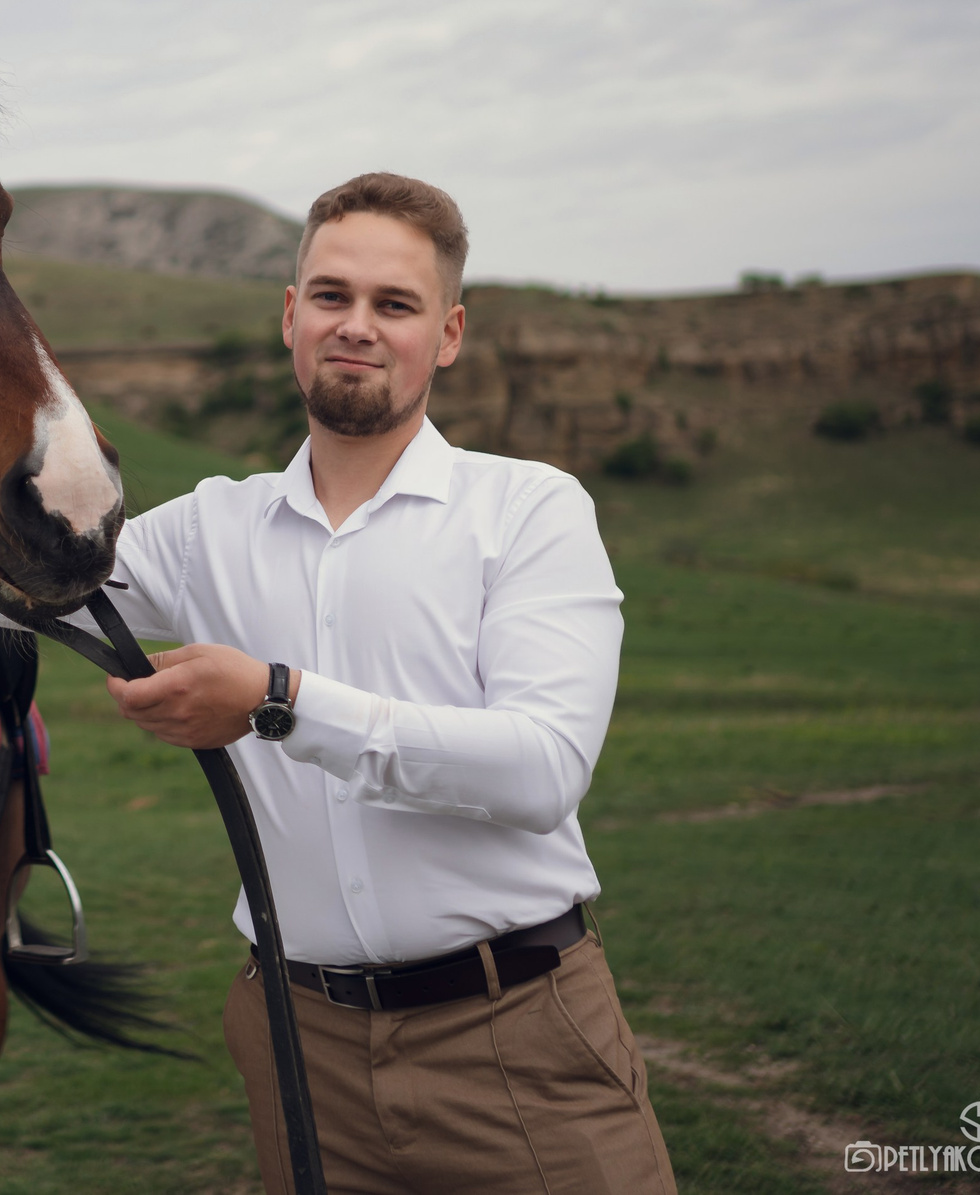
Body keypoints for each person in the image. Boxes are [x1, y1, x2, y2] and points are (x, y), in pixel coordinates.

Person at [86, 172, 675, 1195]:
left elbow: (540, 770)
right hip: (295, 1045)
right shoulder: (204, 531)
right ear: (289, 315)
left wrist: (276, 700)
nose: (355, 326)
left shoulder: (527, 510)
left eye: (393, 305)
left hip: (516, 1035)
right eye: (331, 296)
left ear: (445, 335)